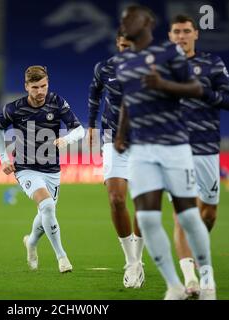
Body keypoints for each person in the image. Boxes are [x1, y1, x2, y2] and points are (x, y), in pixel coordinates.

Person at [114, 5, 216, 300]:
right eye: (122, 19)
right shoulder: (124, 63)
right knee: (146, 219)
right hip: (142, 150)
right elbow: (128, 102)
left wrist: (164, 85)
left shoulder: (169, 54)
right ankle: (174, 285)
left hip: (174, 146)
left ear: (147, 22)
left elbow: (196, 88)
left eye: (130, 17)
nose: (125, 22)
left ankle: (207, 275)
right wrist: (121, 134)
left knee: (187, 215)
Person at [167, 14, 229, 298]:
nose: (181, 36)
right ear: (170, 36)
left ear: (195, 33)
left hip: (206, 146)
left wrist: (202, 91)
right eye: (176, 32)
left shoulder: (212, 64)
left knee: (208, 212)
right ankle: (193, 276)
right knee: (182, 216)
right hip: (173, 148)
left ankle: (199, 258)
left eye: (186, 31)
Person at [0, 66, 85, 273]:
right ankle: (62, 257)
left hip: (52, 170)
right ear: (26, 87)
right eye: (35, 87)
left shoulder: (57, 103)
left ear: (48, 83)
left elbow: (79, 130)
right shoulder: (14, 108)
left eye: (43, 86)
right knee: (48, 207)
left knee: (46, 213)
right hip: (25, 169)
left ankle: (31, 242)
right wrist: (3, 159)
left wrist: (66, 139)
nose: (40, 91)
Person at [87, 29, 145, 288]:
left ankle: (139, 259)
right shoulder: (105, 67)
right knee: (116, 197)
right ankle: (131, 261)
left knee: (144, 203)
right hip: (113, 139)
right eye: (122, 45)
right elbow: (94, 92)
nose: (126, 50)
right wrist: (90, 125)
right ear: (117, 44)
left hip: (145, 140)